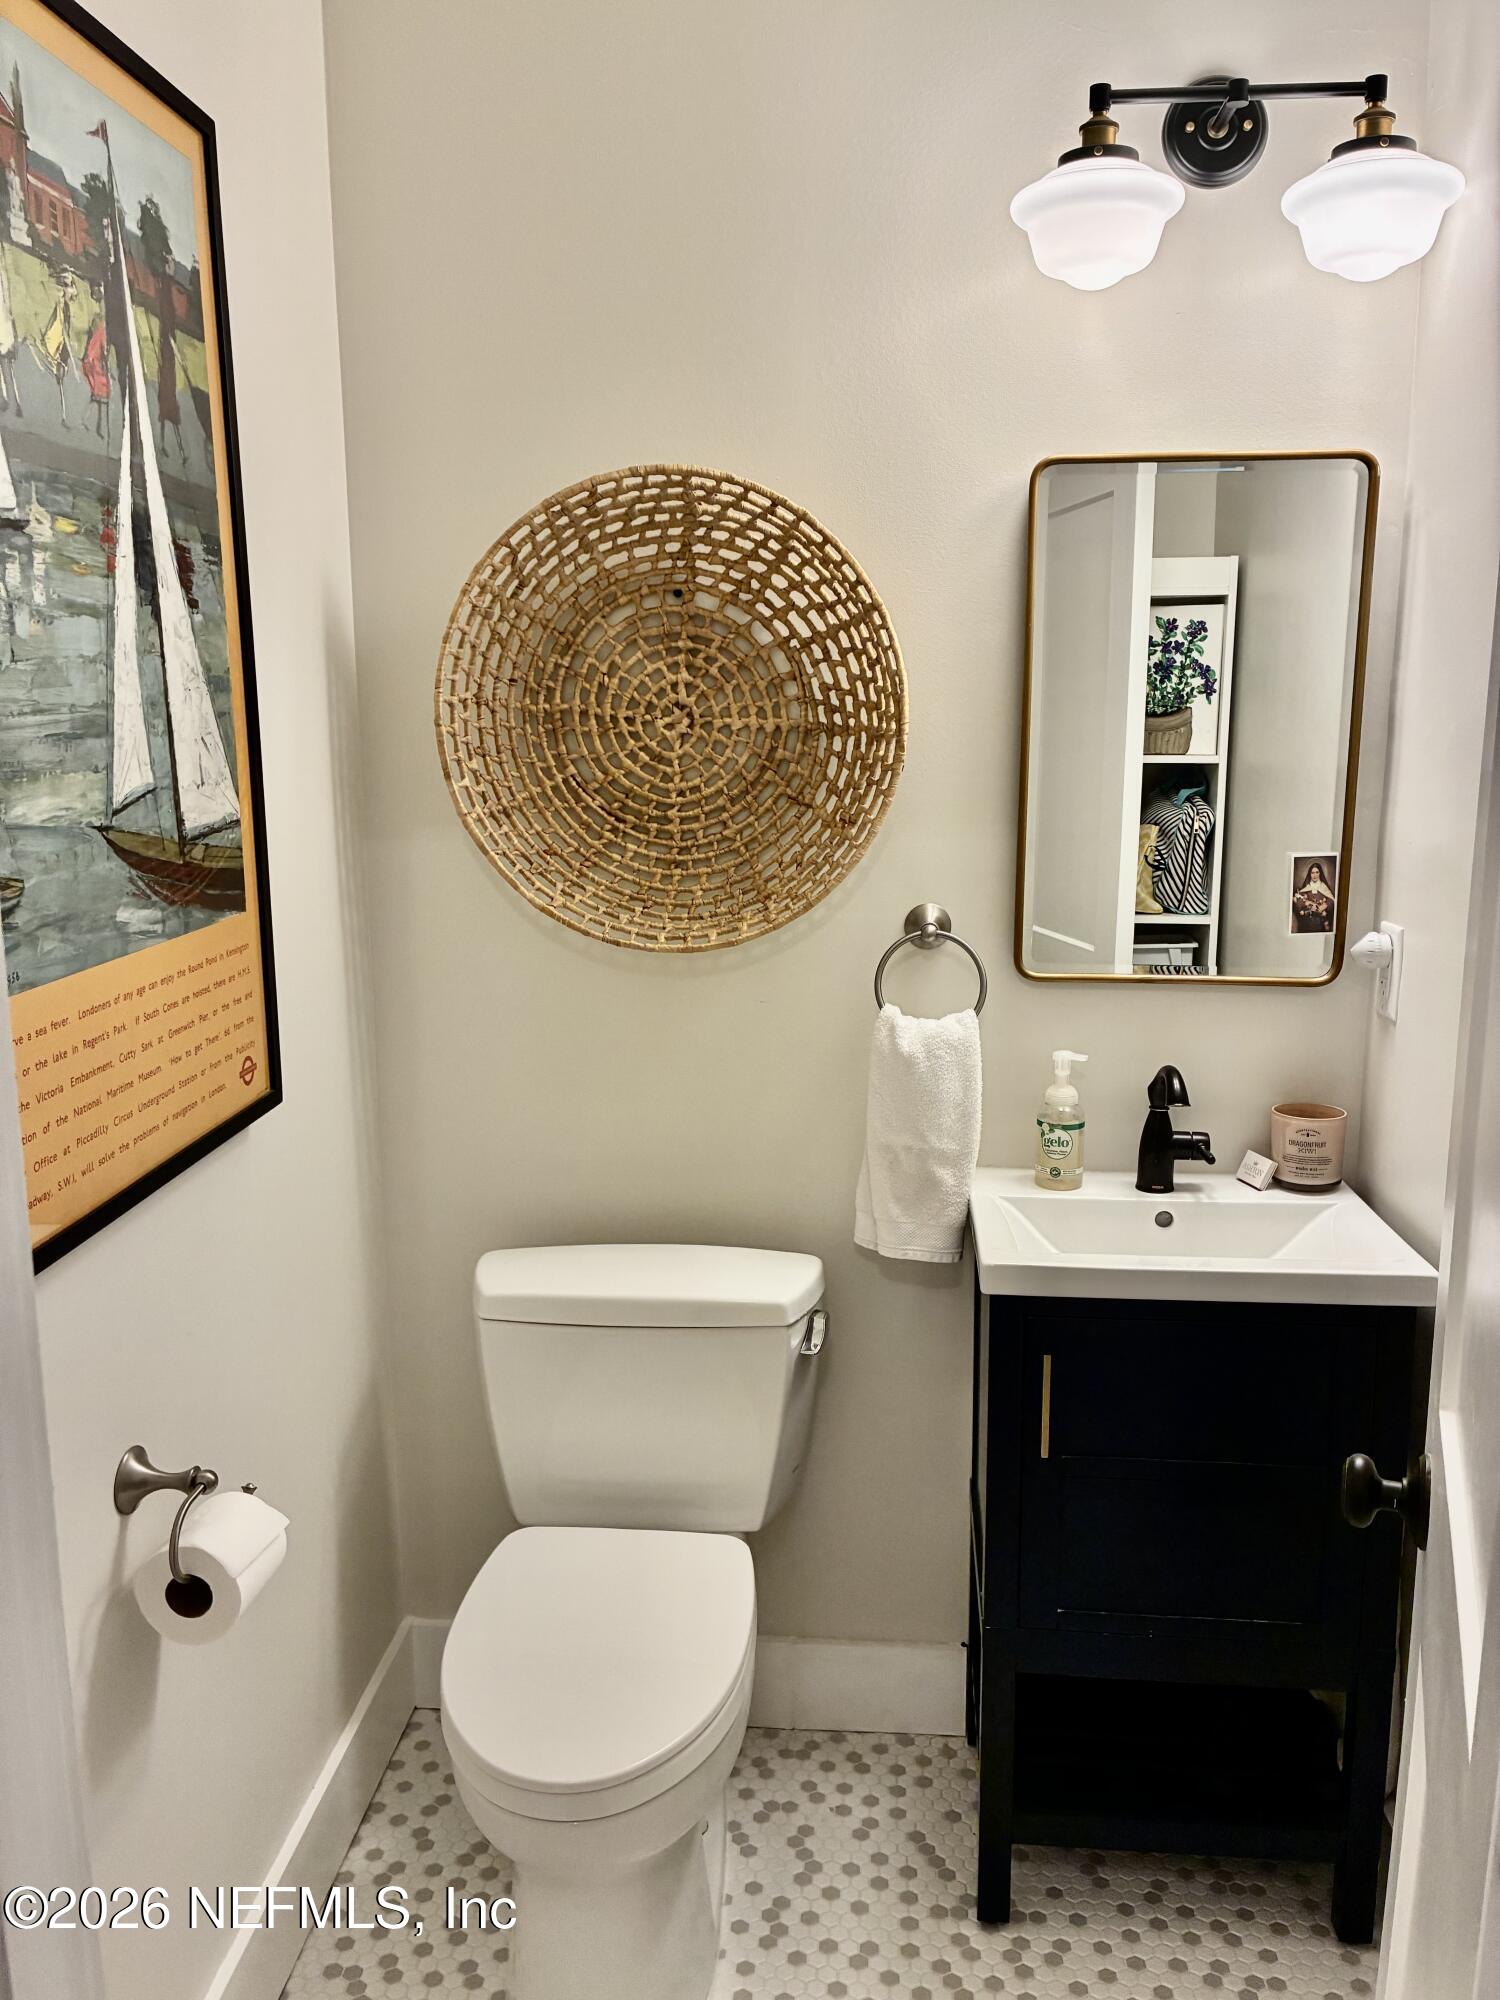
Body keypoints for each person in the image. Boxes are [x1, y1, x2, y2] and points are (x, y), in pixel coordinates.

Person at [35, 268, 78, 427]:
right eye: (68, 286)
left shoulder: (65, 305)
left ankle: (62, 415)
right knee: (58, 379)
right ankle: (62, 416)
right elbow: (57, 323)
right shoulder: (60, 304)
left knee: (60, 379)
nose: (71, 291)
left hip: (62, 345)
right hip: (57, 343)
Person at [0, 246, 23, 417]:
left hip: (5, 324)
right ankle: (6, 398)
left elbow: (7, 299)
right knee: (5, 364)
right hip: (5, 324)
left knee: (7, 363)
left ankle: (12, 399)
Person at [81, 315, 110, 443]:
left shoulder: (94, 331)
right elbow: (104, 350)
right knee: (102, 393)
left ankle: (90, 421)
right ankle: (97, 425)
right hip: (95, 365)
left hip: (90, 363)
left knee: (97, 396)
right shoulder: (101, 332)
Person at [1291, 860, 1335, 933]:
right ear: (1310, 874)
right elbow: (1297, 901)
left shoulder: (1324, 887)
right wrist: (1306, 904)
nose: (1315, 875)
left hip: (1321, 924)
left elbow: (1332, 901)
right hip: (1306, 924)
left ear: (1320, 873)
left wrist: (1325, 905)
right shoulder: (1306, 888)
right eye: (1312, 873)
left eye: (1317, 872)